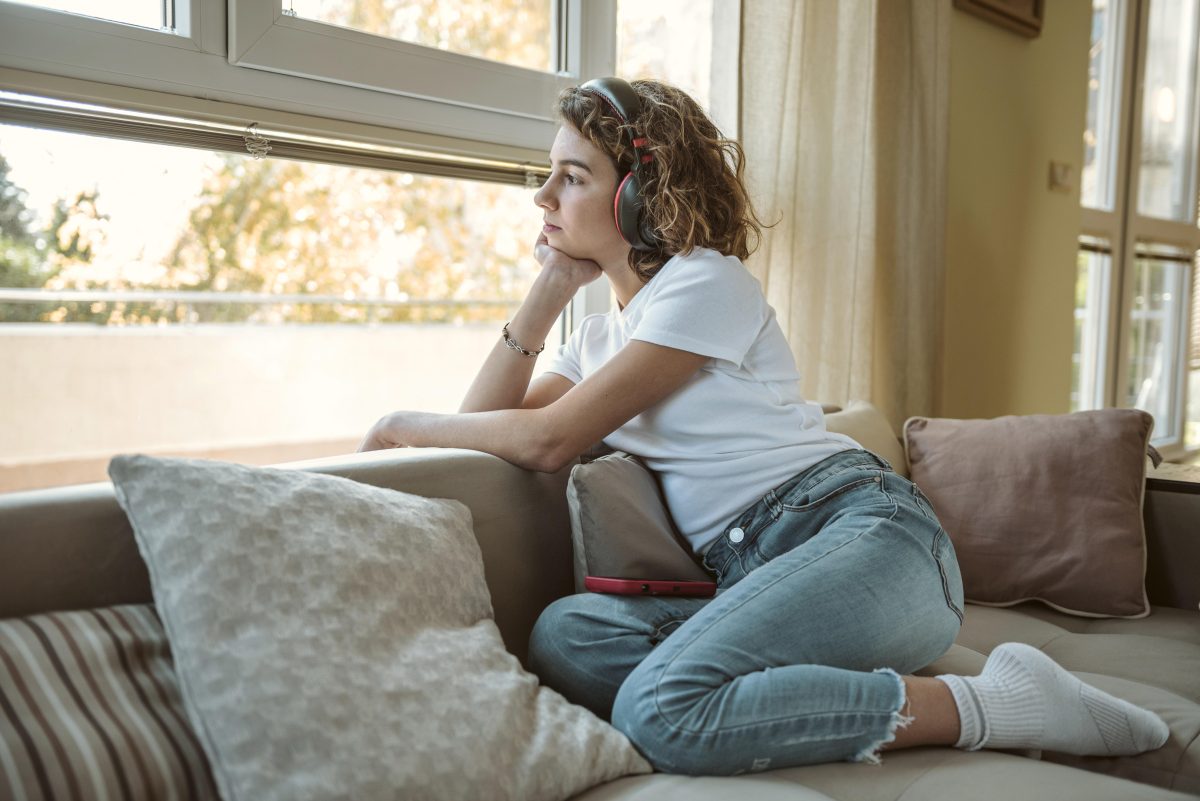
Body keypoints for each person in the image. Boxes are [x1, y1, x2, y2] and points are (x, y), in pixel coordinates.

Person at [358, 77, 1169, 775]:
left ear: (637, 194)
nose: (543, 197)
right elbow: (485, 425)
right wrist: (546, 294)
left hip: (868, 537)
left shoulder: (704, 283)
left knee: (660, 709)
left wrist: (400, 422)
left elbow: (546, 441)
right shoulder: (596, 335)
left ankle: (998, 702)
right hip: (749, 576)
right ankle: (769, 701)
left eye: (571, 177)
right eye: (549, 176)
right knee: (567, 634)